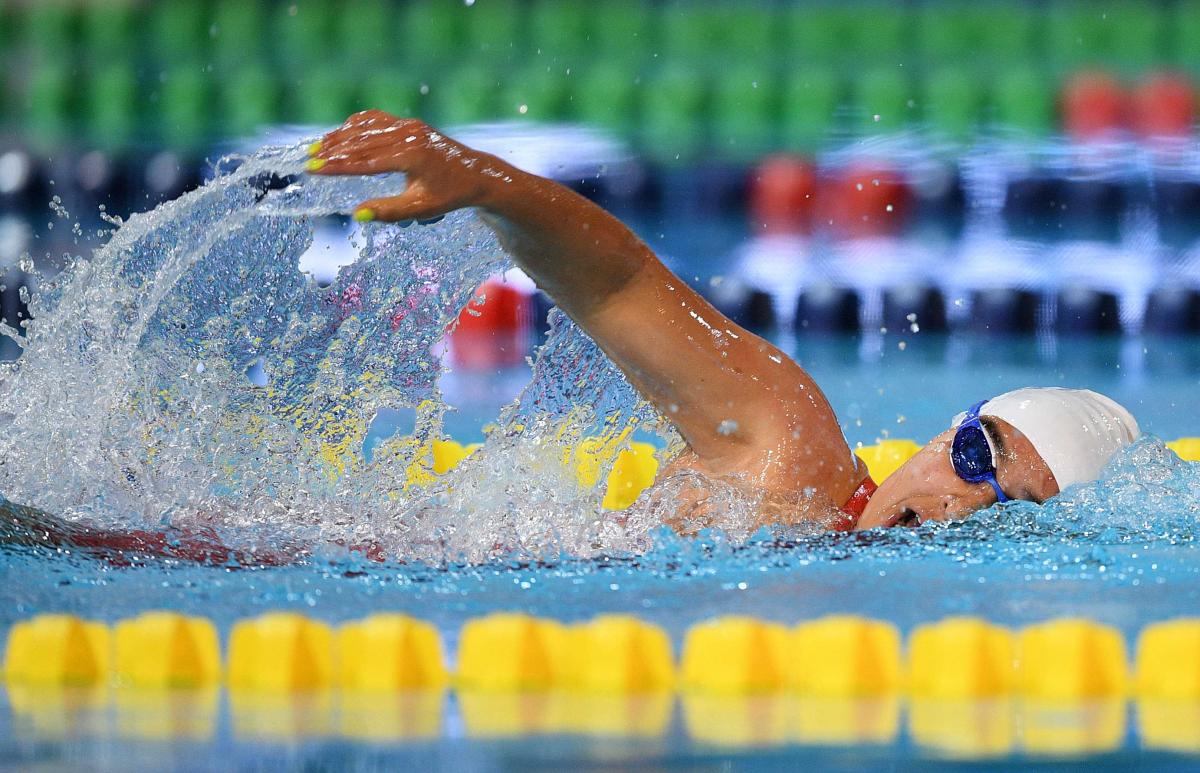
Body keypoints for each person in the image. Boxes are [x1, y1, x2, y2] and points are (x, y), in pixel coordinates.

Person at [307, 111, 1142, 533]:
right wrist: (480, 176)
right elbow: (625, 282)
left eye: (1010, 512)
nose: (961, 502)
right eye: (975, 455)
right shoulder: (792, 451)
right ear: (941, 436)